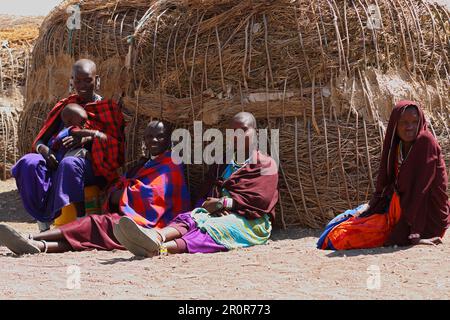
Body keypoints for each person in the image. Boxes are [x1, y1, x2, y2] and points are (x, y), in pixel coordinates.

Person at [0, 120, 191, 255]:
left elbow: (153, 195)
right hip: (128, 218)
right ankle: (40, 245)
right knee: (90, 236)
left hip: (148, 225)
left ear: (169, 139)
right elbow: (122, 184)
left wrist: (124, 192)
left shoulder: (171, 165)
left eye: (159, 137)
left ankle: (31, 237)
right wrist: (124, 186)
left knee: (92, 226)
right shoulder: (145, 164)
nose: (154, 141)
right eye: (149, 137)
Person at [112, 112, 279, 257]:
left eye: (243, 130)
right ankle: (156, 236)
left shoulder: (265, 164)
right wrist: (207, 206)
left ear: (255, 132)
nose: (237, 135)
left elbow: (260, 200)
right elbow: (208, 189)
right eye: (233, 131)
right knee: (192, 217)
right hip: (219, 212)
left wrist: (223, 203)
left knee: (211, 227)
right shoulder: (224, 161)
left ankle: (160, 249)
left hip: (251, 221)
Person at [317, 100, 450, 250]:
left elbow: (420, 191)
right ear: (395, 124)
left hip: (426, 218)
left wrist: (414, 234)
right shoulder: (398, 145)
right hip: (401, 208)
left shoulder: (425, 142)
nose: (409, 127)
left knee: (341, 238)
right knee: (335, 228)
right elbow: (388, 182)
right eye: (404, 122)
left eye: (414, 122)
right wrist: (373, 205)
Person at [12, 59, 125, 231]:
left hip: (91, 168)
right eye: (77, 80)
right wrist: (45, 150)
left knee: (70, 163)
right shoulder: (65, 106)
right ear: (71, 81)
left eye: (88, 80)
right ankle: (42, 222)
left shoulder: (107, 108)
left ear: (97, 80)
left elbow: (116, 146)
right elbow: (40, 139)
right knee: (29, 162)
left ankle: (81, 221)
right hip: (57, 160)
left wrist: (88, 139)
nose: (82, 85)